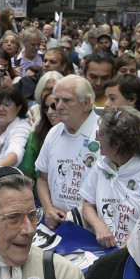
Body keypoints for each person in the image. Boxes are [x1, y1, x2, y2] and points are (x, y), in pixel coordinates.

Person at [81, 107, 140, 248]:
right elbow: (88, 205)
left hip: (138, 254)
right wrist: (99, 226)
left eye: (101, 134)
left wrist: (137, 237)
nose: (96, 138)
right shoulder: (102, 164)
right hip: (104, 252)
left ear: (117, 143)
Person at [35, 75, 100, 229]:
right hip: (56, 224)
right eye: (57, 100)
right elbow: (42, 179)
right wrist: (48, 208)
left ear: (86, 103)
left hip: (92, 229)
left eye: (67, 100)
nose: (59, 106)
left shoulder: (105, 133)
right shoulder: (53, 132)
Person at [0, 86, 32, 169]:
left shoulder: (21, 128)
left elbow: (16, 151)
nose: (1, 109)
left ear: (18, 108)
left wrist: (0, 166)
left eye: (7, 105)